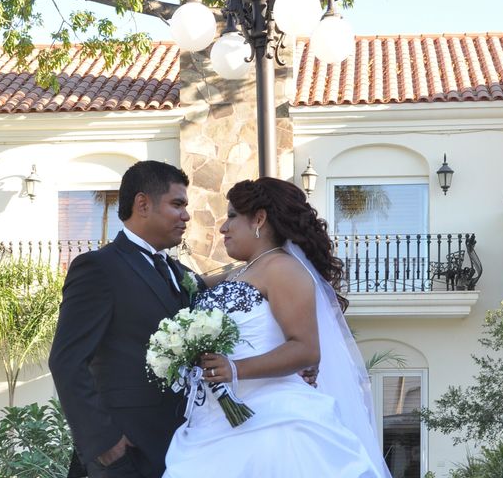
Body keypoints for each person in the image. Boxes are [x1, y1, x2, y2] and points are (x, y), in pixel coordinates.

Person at [163, 178, 392, 478]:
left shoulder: (283, 269)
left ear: (259, 219)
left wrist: (235, 368)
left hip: (270, 421)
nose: (223, 228)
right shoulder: (240, 271)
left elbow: (305, 349)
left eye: (232, 216)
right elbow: (186, 285)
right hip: (212, 420)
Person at [49, 161, 201, 478]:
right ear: (143, 204)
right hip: (125, 454)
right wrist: (105, 443)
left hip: (179, 449)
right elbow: (67, 361)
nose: (186, 216)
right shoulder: (98, 268)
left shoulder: (179, 274)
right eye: (177, 204)